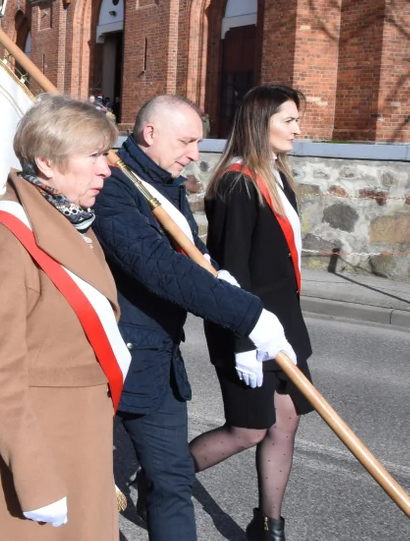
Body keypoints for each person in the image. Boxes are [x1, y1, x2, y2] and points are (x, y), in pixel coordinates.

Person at [0, 96, 130, 540]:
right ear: (46, 162)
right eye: (93, 155)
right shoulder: (2, 233)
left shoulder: (76, 225)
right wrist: (34, 474)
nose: (106, 167)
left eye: (106, 154)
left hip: (75, 437)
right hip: (25, 448)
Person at [90, 95, 297, 540]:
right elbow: (157, 267)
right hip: (105, 363)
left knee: (171, 483)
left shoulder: (166, 182)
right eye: (186, 141)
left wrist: (216, 270)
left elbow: (190, 249)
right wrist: (248, 316)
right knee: (80, 493)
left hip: (158, 361)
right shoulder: (112, 185)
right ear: (150, 134)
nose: (194, 154)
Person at [188, 85, 312, 541]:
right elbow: (232, 273)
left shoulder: (278, 177)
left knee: (287, 420)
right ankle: (162, 478)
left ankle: (269, 527)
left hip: (283, 326)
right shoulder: (238, 184)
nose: (298, 129)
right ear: (262, 124)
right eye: (289, 120)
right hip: (247, 326)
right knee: (248, 429)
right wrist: (244, 341)